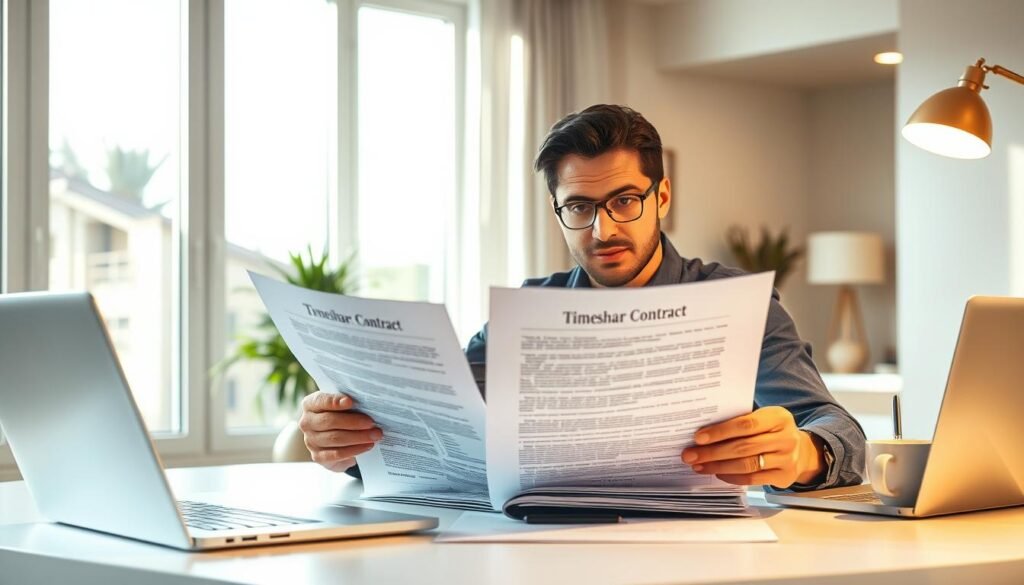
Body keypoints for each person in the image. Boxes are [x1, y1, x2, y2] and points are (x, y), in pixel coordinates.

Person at [299, 104, 866, 491]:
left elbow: (838, 429)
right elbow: (442, 428)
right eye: (579, 208)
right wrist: (352, 448)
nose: (602, 231)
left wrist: (803, 455)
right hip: (535, 550)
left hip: (699, 551)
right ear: (559, 209)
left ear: (661, 195)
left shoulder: (739, 301)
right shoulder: (525, 310)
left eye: (624, 201)